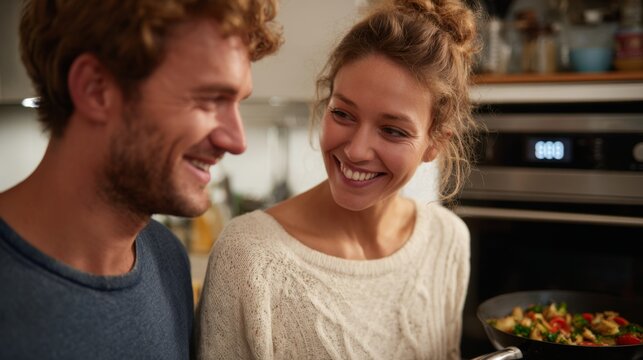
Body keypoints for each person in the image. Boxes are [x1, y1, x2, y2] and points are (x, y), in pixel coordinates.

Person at [195, 0, 481, 359]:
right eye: (343, 114)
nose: (357, 150)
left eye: (392, 130)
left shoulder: (447, 241)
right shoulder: (249, 255)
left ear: (435, 143)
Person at [0, 0, 282, 359]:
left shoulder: (168, 260)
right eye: (209, 99)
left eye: (238, 102)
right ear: (94, 89)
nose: (236, 141)